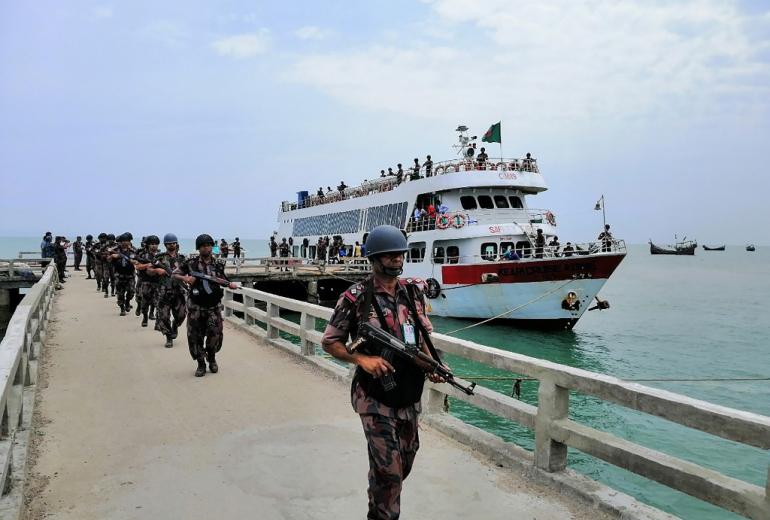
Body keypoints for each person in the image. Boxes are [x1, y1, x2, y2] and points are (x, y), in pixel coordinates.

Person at [322, 225, 449, 520]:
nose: (396, 259)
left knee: (404, 462)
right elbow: (330, 342)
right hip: (374, 398)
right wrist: (362, 360)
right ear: (375, 259)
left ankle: (378, 500)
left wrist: (435, 365)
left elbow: (424, 339)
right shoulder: (355, 297)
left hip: (408, 394)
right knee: (389, 472)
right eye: (389, 255)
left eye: (400, 254)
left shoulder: (412, 293)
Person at [175, 234, 237, 377]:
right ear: (199, 248)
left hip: (213, 306)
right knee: (195, 336)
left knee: (215, 334)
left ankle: (212, 358)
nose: (206, 248)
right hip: (196, 306)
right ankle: (201, 363)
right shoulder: (191, 264)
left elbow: (222, 279)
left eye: (208, 245)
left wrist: (230, 284)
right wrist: (186, 278)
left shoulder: (218, 264)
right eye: (203, 246)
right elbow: (174, 274)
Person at [151, 233, 187, 348]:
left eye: (173, 243)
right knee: (164, 316)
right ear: (166, 245)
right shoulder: (159, 257)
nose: (172, 245)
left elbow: (189, 272)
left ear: (176, 244)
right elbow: (149, 270)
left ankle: (175, 325)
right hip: (164, 291)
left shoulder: (182, 258)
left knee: (181, 315)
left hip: (179, 291)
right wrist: (157, 271)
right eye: (169, 243)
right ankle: (169, 337)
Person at [108, 233, 137, 316]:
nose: (125, 243)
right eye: (123, 241)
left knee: (131, 291)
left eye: (127, 241)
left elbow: (138, 259)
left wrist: (134, 261)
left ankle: (127, 302)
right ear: (120, 242)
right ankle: (122, 308)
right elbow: (108, 259)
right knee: (120, 294)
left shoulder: (133, 250)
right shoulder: (115, 249)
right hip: (119, 275)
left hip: (130, 275)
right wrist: (113, 256)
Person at [134, 235, 161, 326]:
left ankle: (157, 322)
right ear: (148, 245)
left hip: (158, 282)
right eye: (152, 244)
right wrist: (147, 265)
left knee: (158, 303)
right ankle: (145, 317)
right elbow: (137, 266)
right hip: (146, 282)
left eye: (156, 244)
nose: (154, 246)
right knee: (145, 302)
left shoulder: (161, 255)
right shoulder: (143, 255)